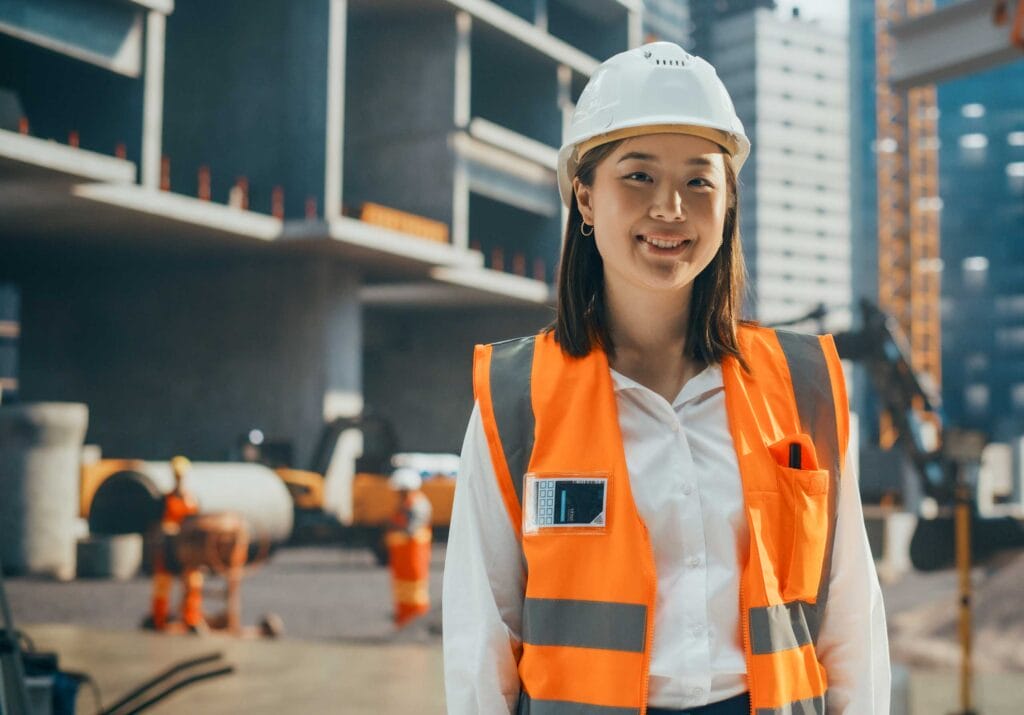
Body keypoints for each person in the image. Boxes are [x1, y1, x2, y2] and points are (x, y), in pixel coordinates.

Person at [442, 42, 889, 714]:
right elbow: (483, 640)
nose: (671, 208)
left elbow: (850, 627)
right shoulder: (518, 398)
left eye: (699, 180)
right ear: (585, 197)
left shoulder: (804, 387)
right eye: (639, 176)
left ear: (728, 200)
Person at [149, 455, 205, 632]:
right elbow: (156, 526)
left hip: (187, 552)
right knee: (162, 585)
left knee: (193, 583)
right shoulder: (164, 500)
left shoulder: (192, 500)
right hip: (167, 549)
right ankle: (159, 619)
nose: (179, 479)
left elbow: (197, 525)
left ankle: (191, 620)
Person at [386, 467, 433, 627]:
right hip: (403, 557)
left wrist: (396, 532)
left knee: (414, 588)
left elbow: (411, 529)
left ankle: (416, 618)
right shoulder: (407, 503)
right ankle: (404, 617)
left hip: (414, 554)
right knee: (403, 588)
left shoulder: (418, 505)